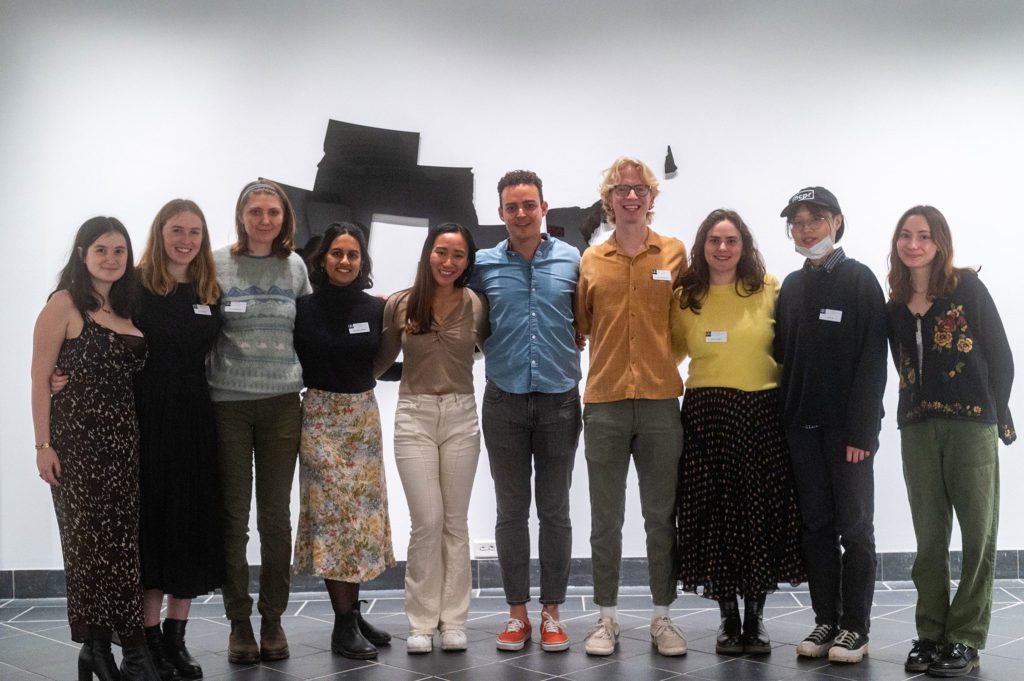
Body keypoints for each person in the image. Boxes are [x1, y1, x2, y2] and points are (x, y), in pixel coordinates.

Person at [886, 206, 1015, 677]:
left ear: (939, 241)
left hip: (971, 426)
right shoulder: (894, 303)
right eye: (905, 235)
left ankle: (964, 637)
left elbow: (1001, 356)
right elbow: (902, 366)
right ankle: (930, 632)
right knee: (929, 537)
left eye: (923, 235)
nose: (913, 243)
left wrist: (996, 415)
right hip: (917, 428)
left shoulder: (966, 287)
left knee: (978, 534)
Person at [31, 217, 160, 680]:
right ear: (82, 253)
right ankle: (98, 648)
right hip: (76, 445)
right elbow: (40, 380)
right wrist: (43, 445)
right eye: (102, 249)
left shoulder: (129, 307)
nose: (111, 259)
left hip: (124, 446)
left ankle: (123, 649)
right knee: (87, 548)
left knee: (123, 548)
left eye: (120, 251)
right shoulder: (64, 304)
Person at [672, 209, 805, 656]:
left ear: (744, 245)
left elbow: (791, 349)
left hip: (761, 414)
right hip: (707, 416)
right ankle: (728, 617)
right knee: (714, 517)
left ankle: (756, 619)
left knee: (759, 514)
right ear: (702, 245)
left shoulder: (770, 289)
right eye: (714, 240)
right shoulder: (685, 295)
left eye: (731, 240)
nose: (723, 248)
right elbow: (668, 351)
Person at [574, 157, 688, 657]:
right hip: (605, 403)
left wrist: (662, 361)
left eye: (639, 189)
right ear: (609, 199)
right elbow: (581, 325)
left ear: (651, 197)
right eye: (622, 189)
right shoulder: (591, 260)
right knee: (606, 519)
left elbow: (684, 324)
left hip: (662, 402)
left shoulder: (675, 253)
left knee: (661, 517)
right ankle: (606, 619)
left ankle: (663, 618)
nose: (631, 197)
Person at [773, 186, 887, 664]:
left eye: (815, 219)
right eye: (797, 222)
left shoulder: (860, 281)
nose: (806, 229)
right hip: (801, 428)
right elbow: (783, 356)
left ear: (836, 222)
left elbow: (872, 363)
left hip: (848, 434)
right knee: (815, 525)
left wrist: (863, 433)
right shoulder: (792, 287)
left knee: (855, 527)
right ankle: (826, 620)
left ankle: (855, 628)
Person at [470, 170, 582, 653]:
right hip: (504, 402)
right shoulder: (483, 264)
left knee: (555, 512)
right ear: (500, 214)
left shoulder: (574, 260)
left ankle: (552, 612)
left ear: (544, 209)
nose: (521, 213)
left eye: (528, 205)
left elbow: (589, 316)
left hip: (560, 401)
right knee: (510, 513)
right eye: (511, 207)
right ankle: (516, 614)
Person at [207, 180, 311, 664]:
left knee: (275, 518)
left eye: (273, 212)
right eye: (255, 211)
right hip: (228, 402)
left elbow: (309, 330)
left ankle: (272, 620)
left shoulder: (294, 267)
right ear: (241, 216)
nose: (264, 220)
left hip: (282, 404)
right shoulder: (215, 263)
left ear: (284, 217)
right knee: (233, 518)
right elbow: (197, 327)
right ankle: (239, 623)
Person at [374, 222, 488, 654]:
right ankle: (421, 623)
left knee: (455, 523)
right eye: (442, 252)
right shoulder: (402, 304)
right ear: (428, 254)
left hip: (461, 416)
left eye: (458, 255)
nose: (448, 262)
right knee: (427, 523)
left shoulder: (475, 304)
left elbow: (497, 351)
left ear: (467, 262)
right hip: (414, 417)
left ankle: (454, 621)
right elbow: (381, 360)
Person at [293, 222, 396, 660]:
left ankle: (352, 614)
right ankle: (341, 626)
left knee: (362, 521)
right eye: (337, 253)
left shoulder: (376, 308)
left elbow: (382, 360)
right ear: (322, 259)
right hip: (319, 418)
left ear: (362, 261)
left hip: (361, 418)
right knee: (336, 523)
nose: (344, 261)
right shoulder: (303, 309)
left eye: (353, 254)